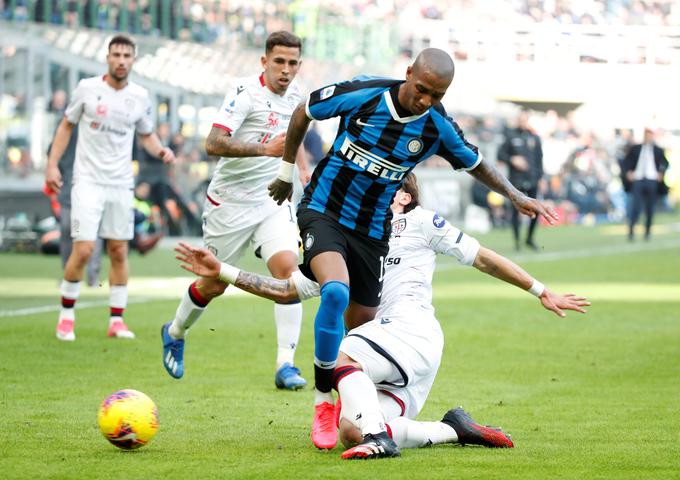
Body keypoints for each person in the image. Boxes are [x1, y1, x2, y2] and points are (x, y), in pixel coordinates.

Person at [175, 173, 589, 459]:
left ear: (404, 196)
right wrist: (223, 271)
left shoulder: (419, 223)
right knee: (347, 433)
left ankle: (377, 438)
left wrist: (540, 290)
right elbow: (286, 290)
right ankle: (453, 429)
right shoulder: (347, 245)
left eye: (380, 189)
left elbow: (484, 259)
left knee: (341, 356)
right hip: (396, 352)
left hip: (411, 332)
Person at [267, 48, 559, 449]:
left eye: (436, 95)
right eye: (422, 90)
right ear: (408, 73)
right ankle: (321, 402)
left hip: (371, 232)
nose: (425, 101)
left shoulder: (436, 127)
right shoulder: (364, 94)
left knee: (361, 325)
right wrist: (286, 171)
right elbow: (303, 111)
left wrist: (514, 195)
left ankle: (396, 418)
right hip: (324, 210)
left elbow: (475, 163)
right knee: (334, 291)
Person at [160, 31, 311, 390]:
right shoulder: (245, 93)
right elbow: (213, 143)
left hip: (273, 200)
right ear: (264, 61)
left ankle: (285, 364)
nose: (286, 70)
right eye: (279, 61)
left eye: (292, 63)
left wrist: (301, 169)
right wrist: (266, 151)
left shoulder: (297, 99)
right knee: (212, 284)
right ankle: (175, 330)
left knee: (289, 275)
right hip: (230, 202)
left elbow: (294, 137)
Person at [45, 34, 176, 342]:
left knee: (118, 250)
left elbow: (146, 134)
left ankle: (116, 320)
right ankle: (66, 316)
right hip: (87, 181)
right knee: (85, 249)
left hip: (120, 184)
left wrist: (161, 150)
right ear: (107, 58)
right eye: (116, 54)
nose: (121, 60)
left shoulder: (140, 96)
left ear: (133, 60)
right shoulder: (87, 89)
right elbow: (66, 125)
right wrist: (52, 165)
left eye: (126, 56)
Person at [497, 109, 544, 251]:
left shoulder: (534, 138)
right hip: (516, 180)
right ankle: (517, 241)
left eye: (525, 119)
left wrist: (541, 178)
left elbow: (539, 160)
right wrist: (512, 159)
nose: (523, 122)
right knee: (515, 210)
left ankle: (529, 238)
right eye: (520, 119)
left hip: (533, 179)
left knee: (536, 209)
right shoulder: (510, 136)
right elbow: (500, 154)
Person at [622, 127, 669, 241]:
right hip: (638, 179)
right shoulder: (636, 149)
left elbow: (665, 163)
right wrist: (629, 173)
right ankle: (631, 230)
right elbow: (626, 162)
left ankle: (647, 232)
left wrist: (660, 173)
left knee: (649, 207)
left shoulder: (658, 150)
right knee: (635, 206)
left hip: (651, 180)